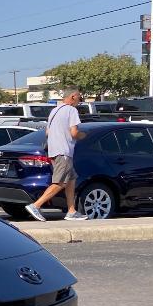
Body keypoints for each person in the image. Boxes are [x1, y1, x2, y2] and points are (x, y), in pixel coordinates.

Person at [26, 89, 88, 222]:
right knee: (60, 182)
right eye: (79, 98)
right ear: (73, 96)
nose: (79, 101)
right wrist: (83, 135)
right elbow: (74, 133)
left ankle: (71, 211)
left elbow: (48, 132)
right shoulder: (72, 110)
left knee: (71, 180)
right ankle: (36, 205)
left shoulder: (54, 111)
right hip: (63, 151)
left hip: (54, 151)